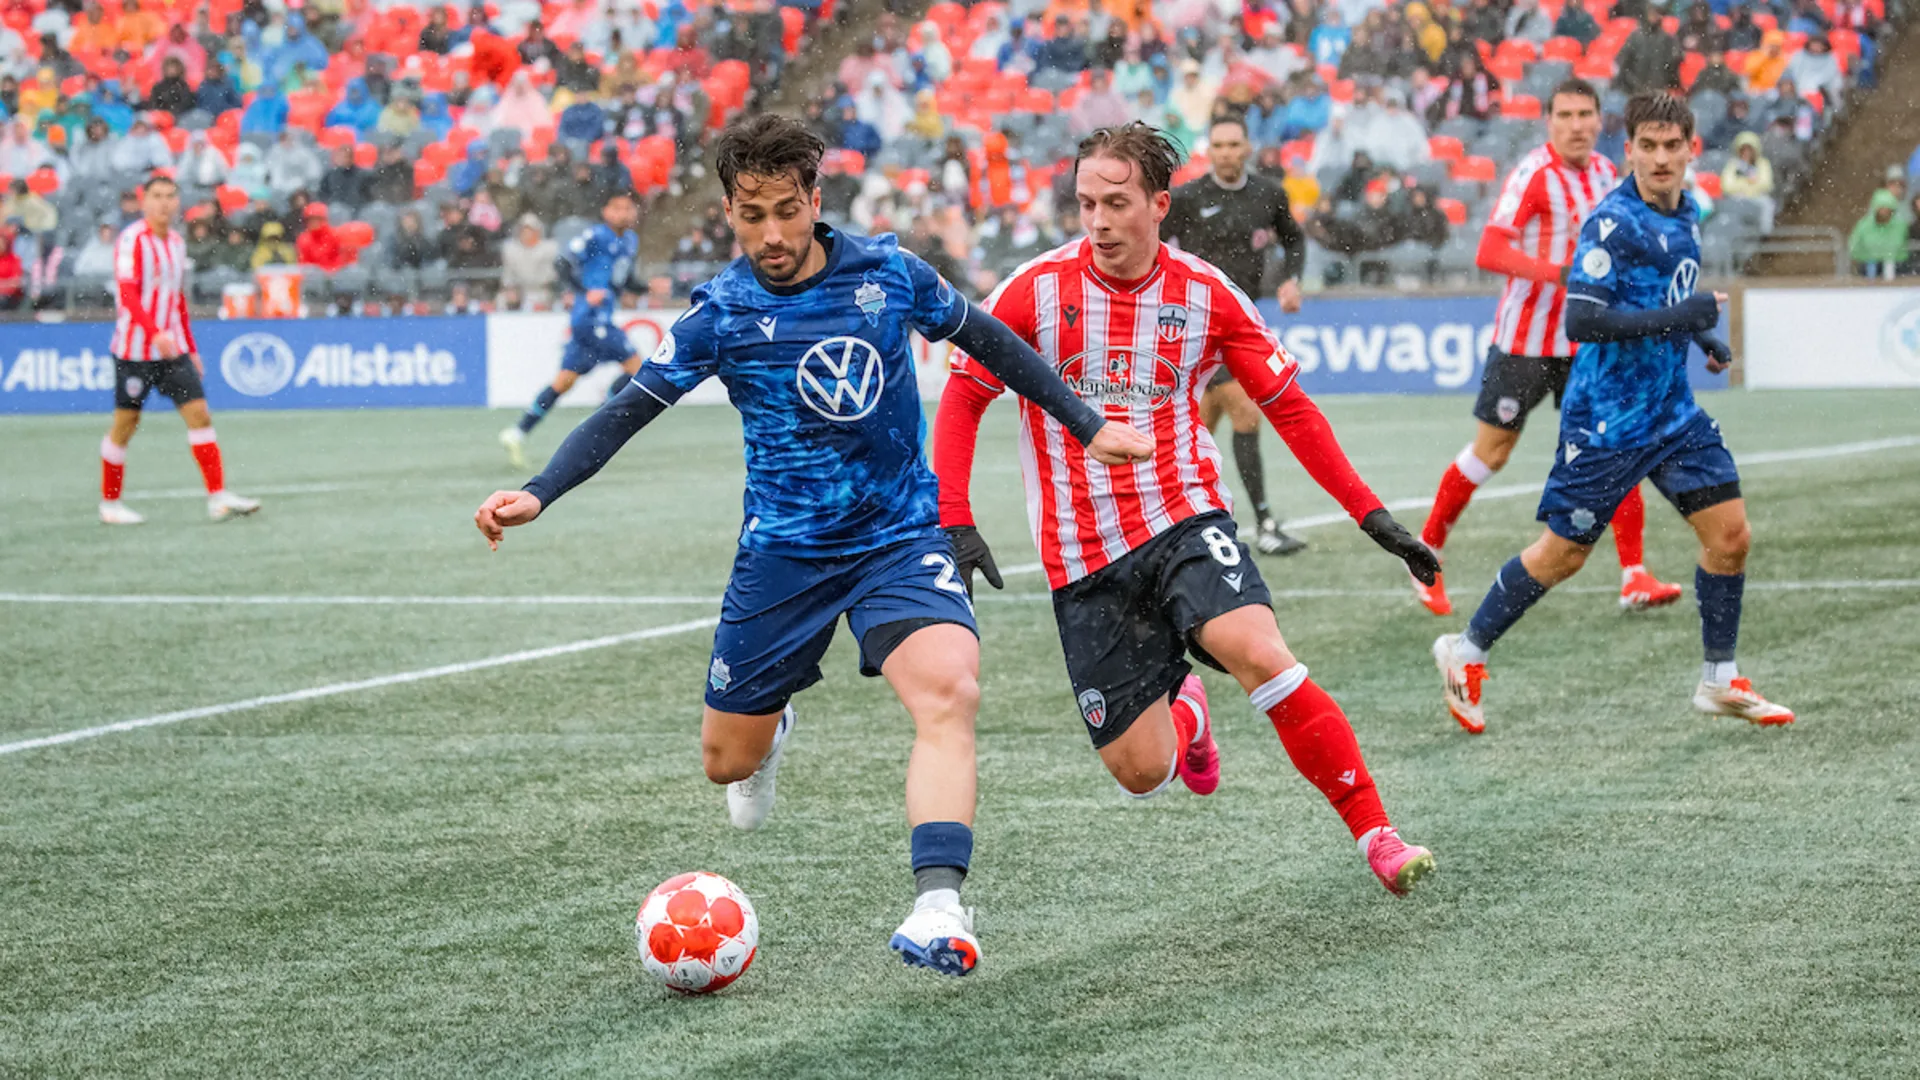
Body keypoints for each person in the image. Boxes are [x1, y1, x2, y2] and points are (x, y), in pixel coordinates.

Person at [474, 114, 1152, 975]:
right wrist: (539, 491)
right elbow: (629, 410)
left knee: (950, 691)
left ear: (815, 199)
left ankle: (939, 906)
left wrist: (1086, 423)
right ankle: (772, 726)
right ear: (729, 211)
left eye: (787, 212)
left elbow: (987, 340)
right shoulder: (722, 311)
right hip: (783, 555)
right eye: (751, 216)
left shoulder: (888, 274)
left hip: (897, 538)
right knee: (726, 763)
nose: (772, 235)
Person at [935, 123, 1440, 897]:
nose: (1098, 221)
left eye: (1116, 203)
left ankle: (1378, 833)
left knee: (1258, 651)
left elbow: (1291, 409)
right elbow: (964, 396)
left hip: (1183, 515)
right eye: (1086, 203)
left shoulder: (1207, 294)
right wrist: (955, 519)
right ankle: (1188, 713)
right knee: (1142, 772)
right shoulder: (1033, 290)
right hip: (1083, 554)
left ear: (1159, 205)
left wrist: (1370, 514)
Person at [1434, 94, 1792, 734]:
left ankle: (1719, 678)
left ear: (1691, 150)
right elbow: (1585, 320)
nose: (1660, 158)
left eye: (1672, 146)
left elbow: (1666, 294)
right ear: (1628, 151)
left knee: (1730, 537)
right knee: (1563, 556)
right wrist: (1685, 317)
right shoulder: (1612, 223)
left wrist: (1703, 338)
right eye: (1647, 147)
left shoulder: (1688, 211)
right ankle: (1466, 650)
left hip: (1672, 414)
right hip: (1606, 421)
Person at [1416, 80, 1683, 617]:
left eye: (1586, 114)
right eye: (1566, 115)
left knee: (1617, 446)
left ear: (1600, 120)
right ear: (1549, 122)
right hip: (1526, 341)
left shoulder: (1607, 173)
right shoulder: (1534, 175)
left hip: (1587, 342)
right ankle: (1424, 553)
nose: (1577, 125)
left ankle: (1634, 575)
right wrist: (1562, 273)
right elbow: (1490, 250)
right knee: (1491, 453)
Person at [1161, 116, 1310, 557]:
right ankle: (1263, 523)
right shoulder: (1187, 198)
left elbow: (1294, 238)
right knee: (1244, 413)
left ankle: (1172, 521)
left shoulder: (1268, 194)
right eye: (1219, 145)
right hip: (1197, 326)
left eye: (1233, 144)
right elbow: (1153, 246)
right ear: (1209, 150)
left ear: (1247, 148)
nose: (1226, 152)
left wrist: (1291, 279)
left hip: (1243, 324)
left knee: (1198, 428)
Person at [98, 175, 260, 526]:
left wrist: (191, 347)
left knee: (200, 415)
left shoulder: (175, 242)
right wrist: (153, 332)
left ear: (177, 202)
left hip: (172, 350)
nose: (164, 203)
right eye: (156, 196)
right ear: (144, 201)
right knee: (126, 424)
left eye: (170, 196)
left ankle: (218, 498)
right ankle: (110, 504)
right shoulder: (132, 240)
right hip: (135, 351)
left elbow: (177, 299)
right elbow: (127, 294)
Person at [498, 190, 644, 465]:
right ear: (606, 211)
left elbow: (624, 280)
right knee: (639, 369)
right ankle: (597, 421)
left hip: (595, 321)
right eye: (618, 207)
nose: (624, 213)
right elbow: (562, 263)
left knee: (564, 381)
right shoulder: (596, 235)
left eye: (628, 208)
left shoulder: (630, 241)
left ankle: (517, 432)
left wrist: (648, 287)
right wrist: (585, 291)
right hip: (591, 318)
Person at [1849, 188, 1907, 277]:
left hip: (1894, 264)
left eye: (1887, 209)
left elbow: (1901, 246)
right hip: (1868, 263)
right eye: (1881, 208)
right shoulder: (1864, 225)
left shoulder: (1900, 225)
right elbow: (1854, 245)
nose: (1884, 212)